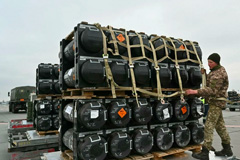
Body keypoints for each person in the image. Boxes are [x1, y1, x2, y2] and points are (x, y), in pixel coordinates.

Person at [185, 53, 233, 160]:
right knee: (220, 127)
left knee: (208, 126)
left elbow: (212, 90)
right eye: (208, 61)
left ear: (216, 62)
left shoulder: (218, 74)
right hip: (215, 102)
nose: (208, 64)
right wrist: (205, 75)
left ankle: (205, 152)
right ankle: (227, 149)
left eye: (211, 62)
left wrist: (195, 91)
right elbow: (211, 83)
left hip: (216, 102)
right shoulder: (215, 72)